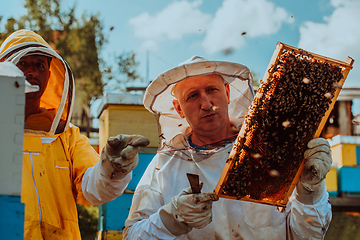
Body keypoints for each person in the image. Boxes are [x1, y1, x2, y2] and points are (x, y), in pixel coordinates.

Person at [123, 56, 332, 239]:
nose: (206, 103)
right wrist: (170, 219)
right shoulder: (163, 167)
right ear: (179, 108)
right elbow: (132, 236)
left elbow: (307, 236)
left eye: (212, 90)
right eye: (192, 96)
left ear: (227, 92)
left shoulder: (272, 152)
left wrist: (310, 192)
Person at [0, 29, 149, 239]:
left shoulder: (67, 136)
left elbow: (93, 187)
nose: (31, 71)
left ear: (50, 75)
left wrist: (111, 168)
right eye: (23, 63)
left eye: (39, 65)